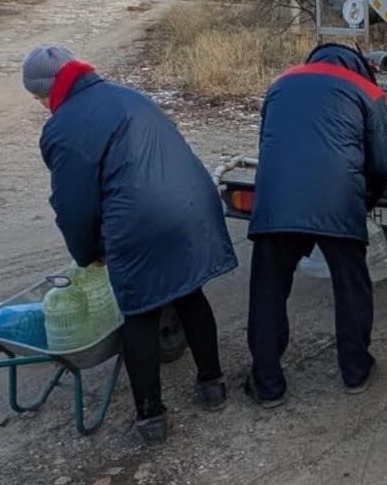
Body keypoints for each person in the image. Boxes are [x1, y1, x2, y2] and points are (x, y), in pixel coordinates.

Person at [23, 46, 237, 444]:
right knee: (190, 293)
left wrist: (87, 253)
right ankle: (212, 385)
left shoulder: (63, 126)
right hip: (193, 204)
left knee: (139, 312)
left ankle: (151, 418)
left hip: (143, 220)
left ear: (45, 91)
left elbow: (74, 206)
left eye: (38, 98)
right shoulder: (129, 96)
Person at [246, 43, 387, 406]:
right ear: (360, 65)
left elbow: (269, 142)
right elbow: (383, 161)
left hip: (277, 201)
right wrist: (363, 202)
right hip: (338, 198)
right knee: (351, 287)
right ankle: (356, 370)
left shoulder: (281, 82)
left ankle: (266, 385)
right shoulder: (367, 89)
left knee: (268, 290)